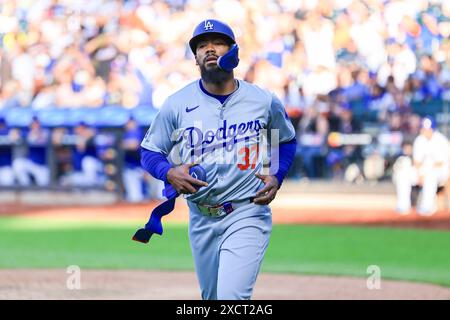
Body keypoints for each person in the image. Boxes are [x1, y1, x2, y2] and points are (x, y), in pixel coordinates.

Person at [139, 19, 296, 300]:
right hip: (200, 217)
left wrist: (276, 175)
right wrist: (168, 172)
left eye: (218, 42)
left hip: (246, 211)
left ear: (234, 51)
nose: (209, 49)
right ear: (195, 58)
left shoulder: (262, 101)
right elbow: (149, 150)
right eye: (201, 45)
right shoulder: (177, 103)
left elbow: (282, 139)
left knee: (231, 298)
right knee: (211, 298)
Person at [393, 116, 449, 215]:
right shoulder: (419, 140)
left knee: (430, 175)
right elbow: (417, 162)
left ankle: (427, 206)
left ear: (433, 129)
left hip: (441, 171)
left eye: (427, 129)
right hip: (423, 170)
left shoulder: (441, 140)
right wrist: (419, 174)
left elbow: (440, 163)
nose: (425, 131)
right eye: (424, 128)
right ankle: (403, 205)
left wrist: (424, 172)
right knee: (402, 174)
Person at [12, 117, 50, 187]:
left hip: (42, 166)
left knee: (44, 186)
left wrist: (37, 135)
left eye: (36, 124)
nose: (35, 126)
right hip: (31, 163)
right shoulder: (27, 133)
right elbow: (17, 136)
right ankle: (26, 186)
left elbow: (44, 139)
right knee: (18, 164)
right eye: (33, 124)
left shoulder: (45, 132)